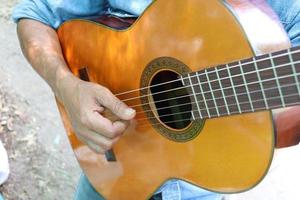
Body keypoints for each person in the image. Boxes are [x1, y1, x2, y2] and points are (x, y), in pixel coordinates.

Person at [11, 0, 300, 200]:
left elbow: (289, 117)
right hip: (112, 166)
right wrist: (67, 87)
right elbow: (38, 13)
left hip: (204, 184)